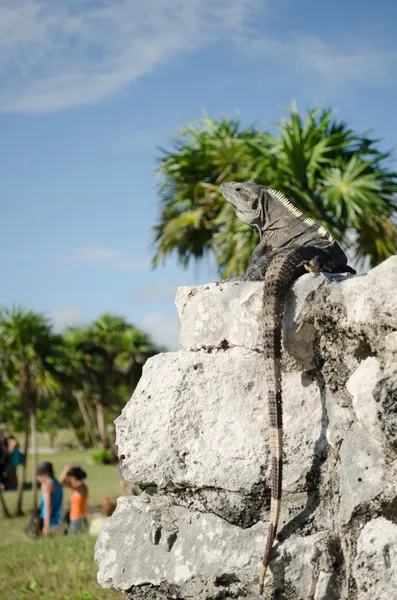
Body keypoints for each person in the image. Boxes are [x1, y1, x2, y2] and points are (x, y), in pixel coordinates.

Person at [59, 464, 88, 534]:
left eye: (69, 476)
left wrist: (65, 470)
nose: (68, 478)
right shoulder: (75, 487)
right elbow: (60, 482)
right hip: (74, 518)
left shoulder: (80, 486)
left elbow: (60, 482)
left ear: (73, 477)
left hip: (78, 519)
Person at [36, 462, 63, 536]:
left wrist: (46, 526)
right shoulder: (57, 483)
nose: (38, 478)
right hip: (59, 520)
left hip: (50, 522)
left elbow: (48, 505)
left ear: (45, 474)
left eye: (39, 475)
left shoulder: (46, 485)